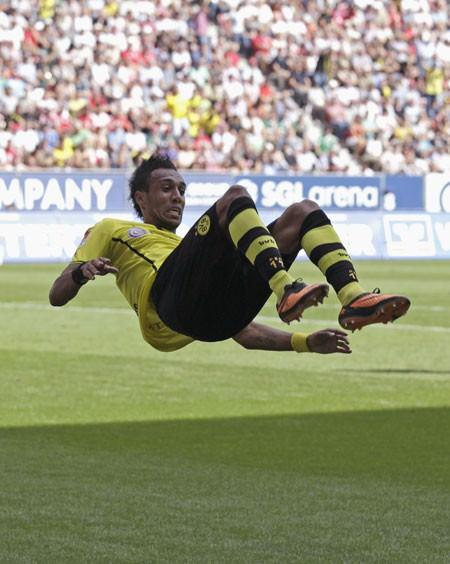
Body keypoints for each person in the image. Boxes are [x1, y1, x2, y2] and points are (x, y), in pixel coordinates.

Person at [49, 153, 410, 355]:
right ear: (141, 198)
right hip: (168, 308)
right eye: (166, 188)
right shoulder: (112, 228)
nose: (178, 197)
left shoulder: (188, 252)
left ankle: (353, 297)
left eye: (182, 190)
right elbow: (57, 294)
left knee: (303, 213)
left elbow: (243, 332)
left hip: (212, 319)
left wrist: (304, 343)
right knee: (234, 198)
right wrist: (81, 273)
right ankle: (285, 288)